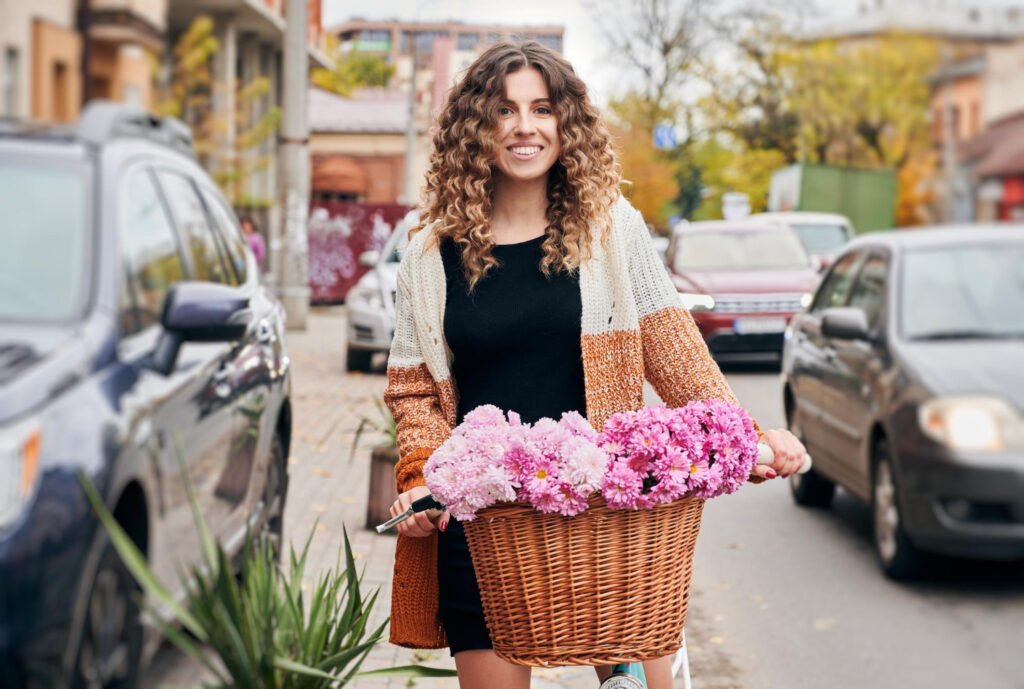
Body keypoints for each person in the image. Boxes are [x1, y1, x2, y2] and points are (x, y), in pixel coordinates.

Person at [383, 41, 807, 689]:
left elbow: (679, 356)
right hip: (488, 529)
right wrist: (417, 477)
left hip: (609, 517)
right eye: (504, 110)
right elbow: (415, 390)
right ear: (475, 128)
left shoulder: (612, 232)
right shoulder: (428, 253)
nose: (525, 126)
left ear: (567, 125)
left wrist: (750, 437)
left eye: (542, 109)